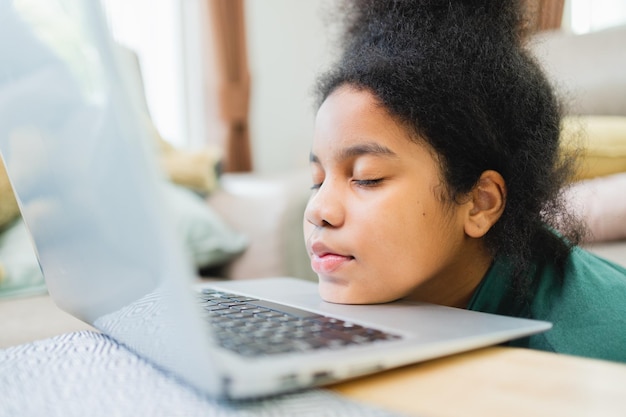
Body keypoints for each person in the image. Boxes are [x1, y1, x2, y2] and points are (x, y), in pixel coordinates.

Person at [302, 0, 626, 363]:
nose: (319, 210)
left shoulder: (583, 358)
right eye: (317, 181)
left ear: (479, 203)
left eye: (367, 178)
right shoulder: (399, 288)